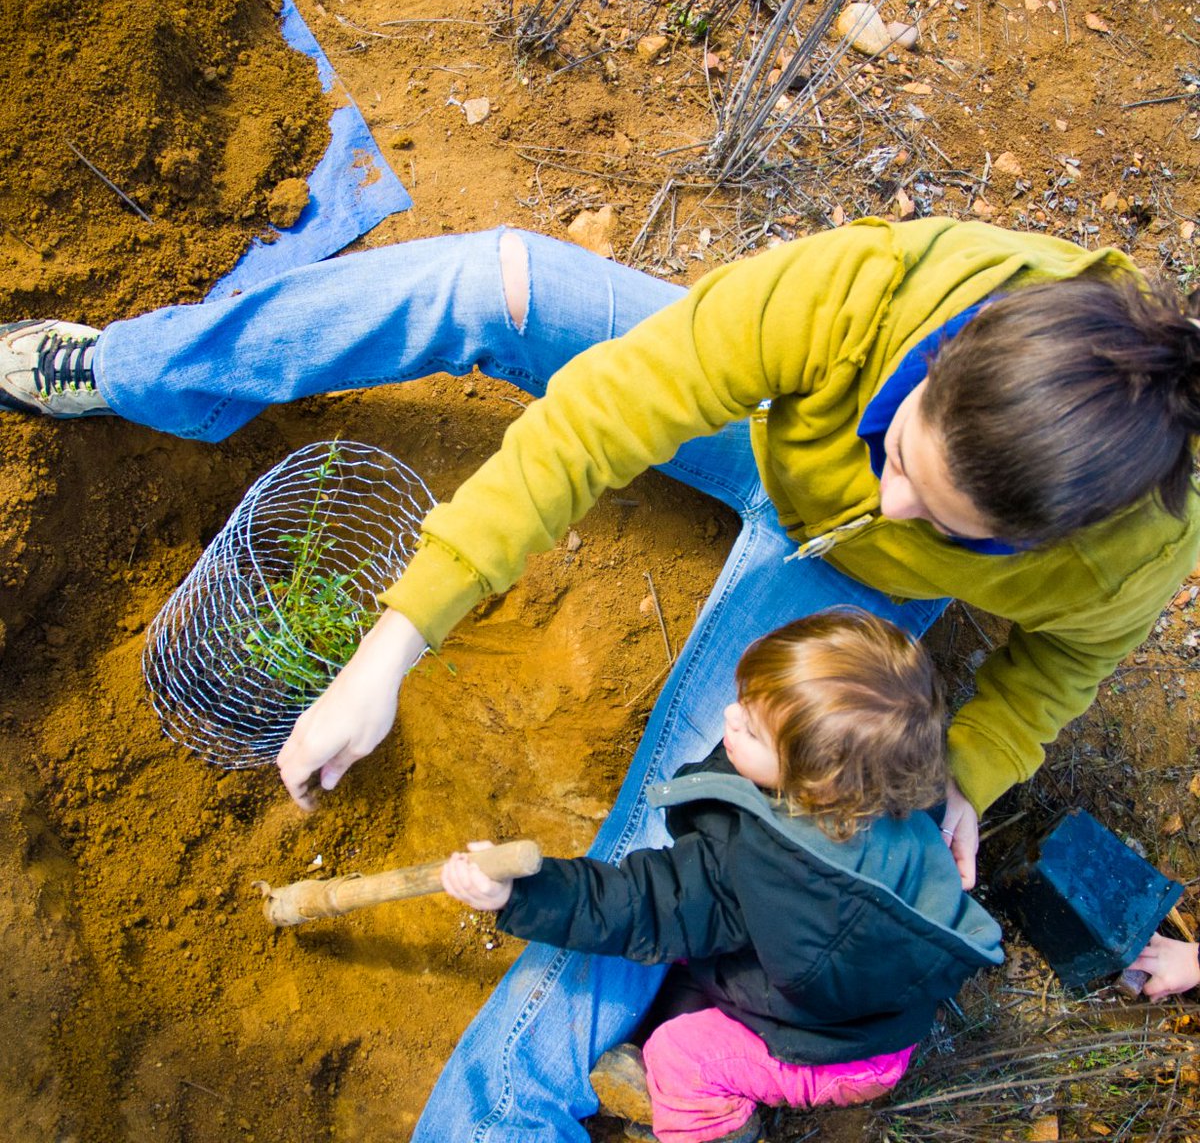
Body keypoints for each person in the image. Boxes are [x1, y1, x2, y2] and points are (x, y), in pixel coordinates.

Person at [4, 218, 1199, 1140]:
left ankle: (492, 1116)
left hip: (839, 601)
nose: (885, 504)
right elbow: (594, 426)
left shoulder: (1127, 553)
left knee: (661, 861)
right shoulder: (873, 291)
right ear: (937, 359)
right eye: (894, 451)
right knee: (494, 280)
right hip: (761, 425)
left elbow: (1058, 673)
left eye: (942, 524)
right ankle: (136, 366)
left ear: (1043, 540)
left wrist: (966, 779)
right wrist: (392, 644)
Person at [441, 609, 1004, 1143]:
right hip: (875, 1018)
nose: (730, 717)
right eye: (742, 701)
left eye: (753, 728)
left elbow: (641, 903)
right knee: (687, 988)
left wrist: (519, 894)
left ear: (818, 783)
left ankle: (716, 1123)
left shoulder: (761, 865)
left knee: (680, 1053)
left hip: (839, 1052)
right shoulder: (895, 785)